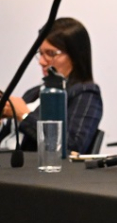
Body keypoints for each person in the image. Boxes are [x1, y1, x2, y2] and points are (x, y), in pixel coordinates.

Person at [1, 18, 103, 154]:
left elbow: (73, 147)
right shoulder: (33, 93)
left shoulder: (86, 94)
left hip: (36, 172)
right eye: (41, 54)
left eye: (50, 54)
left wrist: (24, 115)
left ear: (75, 55)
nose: (42, 62)